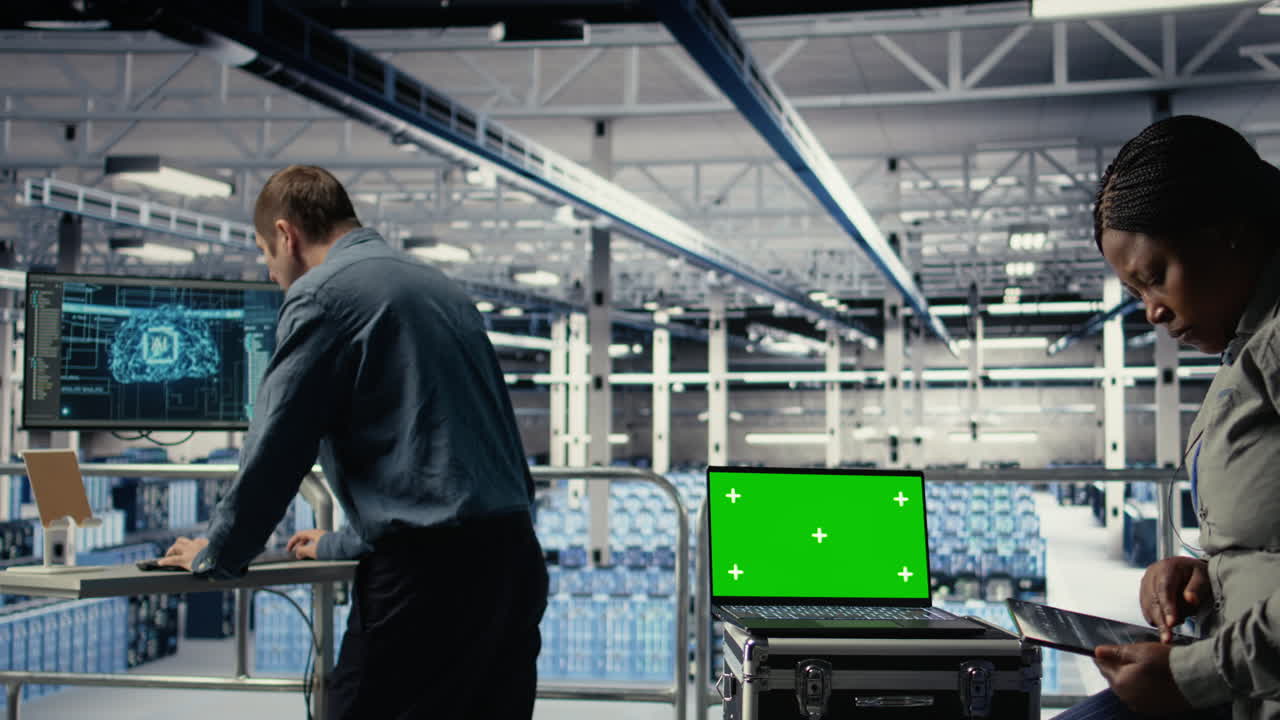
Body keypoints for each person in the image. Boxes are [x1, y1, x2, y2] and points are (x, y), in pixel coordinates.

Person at [158, 165, 548, 719]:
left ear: (287, 235)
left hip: (427, 589)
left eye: (267, 255)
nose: (272, 274)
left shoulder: (322, 295)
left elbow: (278, 445)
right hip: (511, 565)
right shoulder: (441, 288)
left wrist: (217, 554)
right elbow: (447, 472)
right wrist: (339, 543)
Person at [1054, 115, 1280, 720]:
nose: (1151, 311)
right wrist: (1211, 575)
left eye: (1155, 277)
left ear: (1227, 231)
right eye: (1134, 294)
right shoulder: (1247, 349)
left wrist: (1197, 673)